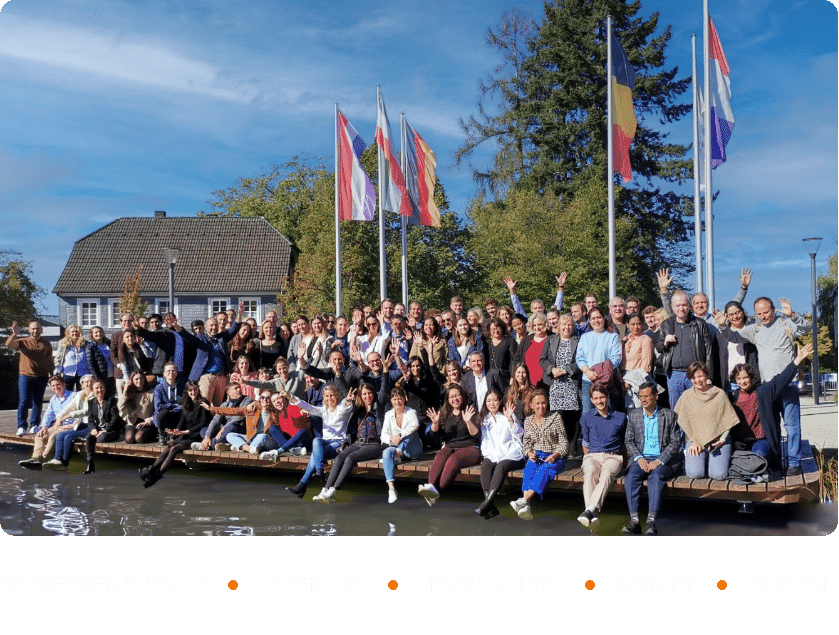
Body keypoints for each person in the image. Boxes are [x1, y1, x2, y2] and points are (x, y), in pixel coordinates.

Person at [714, 296, 811, 476]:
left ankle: (794, 463)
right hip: (767, 388)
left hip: (787, 385)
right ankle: (774, 461)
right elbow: (734, 336)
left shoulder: (785, 324)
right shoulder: (755, 329)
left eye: (766, 312)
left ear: (773, 309)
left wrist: (793, 316)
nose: (763, 316)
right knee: (772, 427)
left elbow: (807, 328)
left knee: (792, 426)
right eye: (759, 314)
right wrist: (722, 326)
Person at [622, 382, 683, 536]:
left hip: (663, 459)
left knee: (655, 477)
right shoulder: (633, 415)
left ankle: (651, 522)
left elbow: (675, 442)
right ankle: (634, 521)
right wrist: (638, 458)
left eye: (647, 396)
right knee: (631, 477)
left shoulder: (669, 415)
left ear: (656, 396)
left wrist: (658, 461)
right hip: (642, 457)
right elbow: (628, 441)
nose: (644, 400)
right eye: (641, 396)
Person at [313, 384, 384, 503]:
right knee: (339, 457)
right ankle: (325, 490)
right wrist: (347, 398)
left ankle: (333, 491)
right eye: (364, 394)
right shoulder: (358, 410)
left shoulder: (379, 407)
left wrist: (386, 370)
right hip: (358, 442)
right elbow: (347, 403)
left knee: (350, 458)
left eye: (370, 393)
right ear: (361, 396)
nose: (367, 396)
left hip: (373, 444)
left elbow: (385, 388)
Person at [285, 385, 354, 498]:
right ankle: (319, 471)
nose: (329, 398)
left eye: (332, 395)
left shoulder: (341, 408)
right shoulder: (323, 410)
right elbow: (306, 405)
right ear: (323, 397)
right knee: (316, 440)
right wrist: (289, 396)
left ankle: (303, 484)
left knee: (315, 454)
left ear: (336, 396)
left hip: (339, 443)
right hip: (326, 441)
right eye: (326, 396)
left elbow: (346, 406)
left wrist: (347, 400)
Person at [674, 361, 739, 480]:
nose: (697, 380)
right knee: (695, 474)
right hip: (696, 441)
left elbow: (729, 420)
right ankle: (702, 460)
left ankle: (712, 461)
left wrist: (723, 439)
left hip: (718, 441)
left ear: (706, 375)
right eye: (693, 377)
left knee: (718, 475)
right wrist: (693, 441)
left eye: (700, 376)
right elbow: (683, 421)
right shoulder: (687, 396)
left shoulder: (719, 394)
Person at [418, 386, 481, 506]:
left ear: (462, 396)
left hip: (471, 448)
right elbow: (435, 436)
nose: (455, 399)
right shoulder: (444, 412)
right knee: (440, 455)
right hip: (450, 446)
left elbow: (477, 435)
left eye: (457, 395)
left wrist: (468, 421)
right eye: (452, 396)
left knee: (454, 459)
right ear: (448, 399)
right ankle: (431, 486)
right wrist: (435, 423)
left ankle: (438, 491)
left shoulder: (470, 410)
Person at [510, 391, 566, 520]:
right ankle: (526, 506)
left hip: (554, 456)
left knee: (543, 470)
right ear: (531, 405)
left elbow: (564, 443)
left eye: (543, 403)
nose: (541, 406)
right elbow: (527, 442)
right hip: (537, 455)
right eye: (537, 403)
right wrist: (529, 453)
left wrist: (556, 454)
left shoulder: (555, 417)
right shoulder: (528, 420)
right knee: (529, 470)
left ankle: (523, 500)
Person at [578, 384, 626, 532]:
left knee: (606, 474)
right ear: (591, 400)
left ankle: (589, 510)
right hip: (593, 455)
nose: (599, 401)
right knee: (590, 472)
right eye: (596, 398)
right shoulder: (586, 417)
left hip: (613, 456)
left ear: (607, 397)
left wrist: (624, 462)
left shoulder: (620, 417)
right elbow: (585, 442)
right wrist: (588, 458)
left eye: (602, 397)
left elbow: (625, 442)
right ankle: (591, 514)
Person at [656, 290, 714, 408]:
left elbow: (709, 351)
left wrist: (708, 376)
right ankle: (678, 428)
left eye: (684, 305)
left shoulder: (700, 324)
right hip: (674, 374)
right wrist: (665, 342)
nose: (681, 308)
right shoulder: (667, 324)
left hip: (695, 374)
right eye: (678, 305)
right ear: (672, 307)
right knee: (676, 409)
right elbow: (658, 348)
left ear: (689, 306)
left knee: (697, 408)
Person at [476, 389, 525, 518]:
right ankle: (489, 505)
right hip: (493, 453)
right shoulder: (485, 419)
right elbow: (485, 441)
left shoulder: (507, 415)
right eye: (488, 401)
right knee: (485, 465)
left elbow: (519, 434)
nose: (492, 403)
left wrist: (510, 419)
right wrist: (487, 455)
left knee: (501, 466)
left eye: (495, 400)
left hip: (512, 452)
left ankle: (485, 504)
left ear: (500, 401)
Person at [540, 313, 583, 457]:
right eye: (564, 324)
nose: (567, 327)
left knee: (573, 416)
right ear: (558, 326)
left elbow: (582, 360)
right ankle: (559, 447)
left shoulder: (578, 340)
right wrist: (551, 370)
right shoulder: (551, 339)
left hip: (572, 382)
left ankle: (572, 447)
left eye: (570, 324)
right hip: (556, 383)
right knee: (558, 416)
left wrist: (566, 370)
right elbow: (543, 360)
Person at [6, 320, 54, 437]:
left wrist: (52, 375)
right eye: (33, 328)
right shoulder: (23, 341)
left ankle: (34, 425)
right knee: (24, 401)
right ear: (29, 330)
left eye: (38, 328)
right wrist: (14, 334)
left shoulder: (46, 343)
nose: (35, 330)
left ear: (41, 329)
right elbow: (9, 344)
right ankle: (22, 426)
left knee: (37, 402)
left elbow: (49, 360)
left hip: (41, 376)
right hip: (25, 375)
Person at [18, 375, 77, 470]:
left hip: (71, 426)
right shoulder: (54, 399)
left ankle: (42, 459)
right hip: (58, 425)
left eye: (58, 384)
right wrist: (44, 426)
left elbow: (81, 412)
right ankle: (35, 458)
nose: (56, 387)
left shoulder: (74, 396)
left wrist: (73, 425)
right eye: (53, 386)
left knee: (53, 436)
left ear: (64, 384)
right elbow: (48, 414)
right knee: (39, 435)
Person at [575, 305, 622, 412]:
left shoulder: (612, 337)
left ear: (604, 318)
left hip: (606, 382)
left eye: (599, 317)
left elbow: (616, 358)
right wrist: (588, 372)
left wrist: (600, 373)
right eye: (593, 318)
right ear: (589, 321)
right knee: (587, 414)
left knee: (607, 414)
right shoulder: (584, 337)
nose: (596, 320)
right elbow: (579, 358)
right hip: (588, 381)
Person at [380, 387, 423, 503]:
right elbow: (383, 435)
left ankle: (398, 453)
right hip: (396, 445)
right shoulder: (388, 415)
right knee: (386, 452)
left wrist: (399, 436)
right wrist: (391, 438)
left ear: (404, 399)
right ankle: (391, 489)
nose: (397, 402)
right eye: (395, 399)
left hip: (412, 450)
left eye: (400, 399)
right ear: (391, 401)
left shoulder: (410, 412)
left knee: (411, 432)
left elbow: (415, 425)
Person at [83, 378, 125, 474]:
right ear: (93, 390)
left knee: (102, 438)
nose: (99, 390)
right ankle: (90, 464)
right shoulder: (91, 402)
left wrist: (105, 429)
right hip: (98, 429)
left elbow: (115, 418)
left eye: (101, 387)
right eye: (97, 388)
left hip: (111, 429)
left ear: (105, 389)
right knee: (89, 438)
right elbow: (90, 419)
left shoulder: (110, 400)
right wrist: (93, 429)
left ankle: (114, 436)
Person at [198, 383, 253, 451]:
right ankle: (211, 442)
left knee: (232, 426)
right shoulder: (225, 404)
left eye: (239, 388)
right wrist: (207, 436)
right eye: (236, 388)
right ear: (229, 393)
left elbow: (239, 417)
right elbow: (216, 419)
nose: (239, 390)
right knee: (204, 430)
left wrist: (224, 428)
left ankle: (207, 446)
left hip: (238, 428)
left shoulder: (247, 400)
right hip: (225, 430)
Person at [119, 371, 155, 443]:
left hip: (146, 422)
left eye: (141, 378)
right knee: (129, 439)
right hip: (133, 421)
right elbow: (120, 407)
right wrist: (125, 390)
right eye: (136, 379)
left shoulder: (151, 393)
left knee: (139, 438)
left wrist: (149, 421)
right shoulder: (129, 393)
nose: (139, 381)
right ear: (132, 380)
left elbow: (157, 410)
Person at [410, 317, 448, 382]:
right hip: (422, 375)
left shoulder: (442, 341)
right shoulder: (418, 340)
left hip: (437, 374)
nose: (428, 327)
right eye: (426, 325)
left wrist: (442, 372)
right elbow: (412, 358)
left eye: (431, 325)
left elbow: (446, 359)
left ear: (435, 327)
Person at [53, 324, 88, 392]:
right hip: (68, 373)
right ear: (68, 333)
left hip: (83, 373)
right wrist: (60, 370)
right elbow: (58, 358)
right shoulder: (63, 343)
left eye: (76, 331)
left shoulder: (86, 344)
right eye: (72, 332)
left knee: (82, 394)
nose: (74, 333)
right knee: (67, 394)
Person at [483, 318, 517, 384]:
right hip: (491, 377)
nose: (496, 331)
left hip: (506, 377)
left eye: (498, 328)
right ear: (489, 330)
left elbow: (514, 360)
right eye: (493, 329)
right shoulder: (487, 343)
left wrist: (513, 377)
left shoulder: (509, 341)